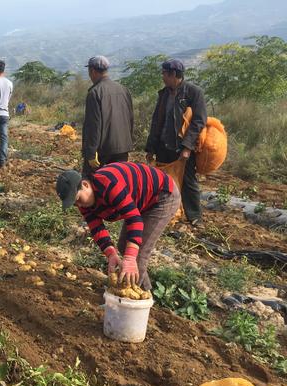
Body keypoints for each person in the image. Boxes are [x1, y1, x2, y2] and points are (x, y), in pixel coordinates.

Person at [56, 163, 180, 290]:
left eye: (78, 199)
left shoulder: (109, 184)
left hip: (162, 195)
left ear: (85, 185)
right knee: (124, 246)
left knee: (136, 254)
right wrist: (111, 254)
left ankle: (137, 300)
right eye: (74, 204)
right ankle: (138, 293)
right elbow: (96, 228)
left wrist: (130, 257)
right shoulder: (84, 203)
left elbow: (134, 218)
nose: (79, 205)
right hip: (141, 201)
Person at [145, 58, 207, 226]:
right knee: (164, 180)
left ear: (173, 74)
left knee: (188, 181)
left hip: (182, 147)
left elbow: (199, 121)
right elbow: (157, 121)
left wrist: (187, 146)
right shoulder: (164, 93)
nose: (162, 77)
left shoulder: (194, 93)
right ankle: (168, 213)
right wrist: (151, 147)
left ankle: (195, 217)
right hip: (163, 144)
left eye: (164, 74)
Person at [82, 55, 134, 175]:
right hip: (123, 148)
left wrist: (90, 153)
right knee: (118, 183)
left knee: (95, 184)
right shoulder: (124, 89)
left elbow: (93, 125)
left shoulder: (95, 92)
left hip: (103, 152)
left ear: (93, 71)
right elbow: (130, 119)